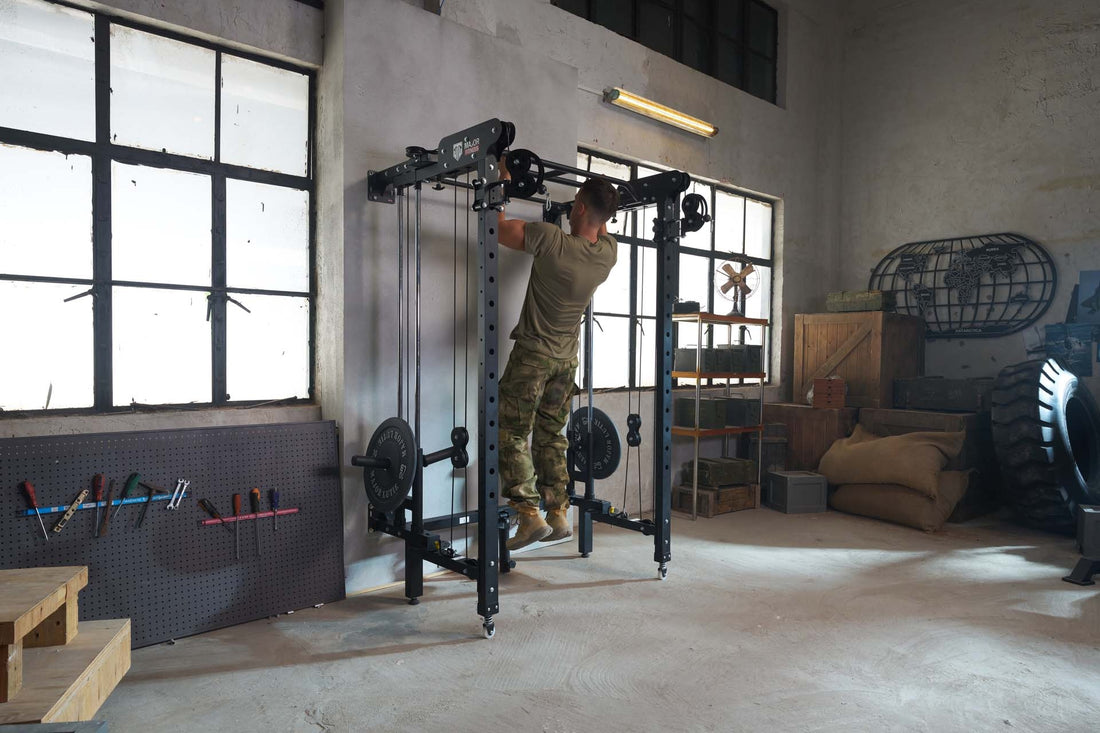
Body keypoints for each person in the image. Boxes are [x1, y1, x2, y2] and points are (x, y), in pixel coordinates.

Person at [495, 158, 621, 550]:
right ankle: (559, 513)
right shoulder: (608, 254)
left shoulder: (551, 240)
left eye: (574, 203)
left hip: (534, 355)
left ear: (580, 208)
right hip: (567, 360)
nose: (568, 209)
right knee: (552, 435)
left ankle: (529, 516)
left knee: (510, 431)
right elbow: (600, 230)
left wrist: (500, 183)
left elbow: (497, 227)